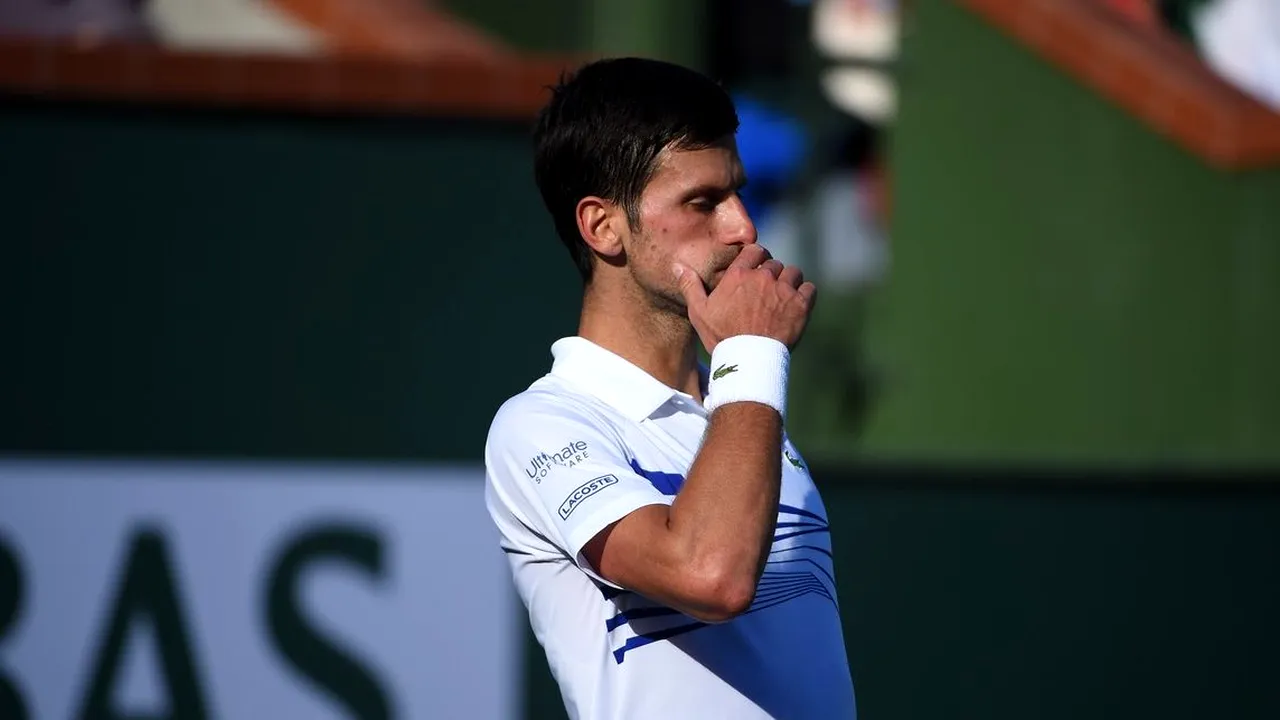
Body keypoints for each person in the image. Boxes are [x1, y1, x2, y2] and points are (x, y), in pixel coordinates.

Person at [484, 57, 857, 720]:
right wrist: (752, 354)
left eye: (737, 193)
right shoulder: (541, 426)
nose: (743, 227)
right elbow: (709, 575)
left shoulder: (745, 409)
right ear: (603, 227)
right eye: (702, 202)